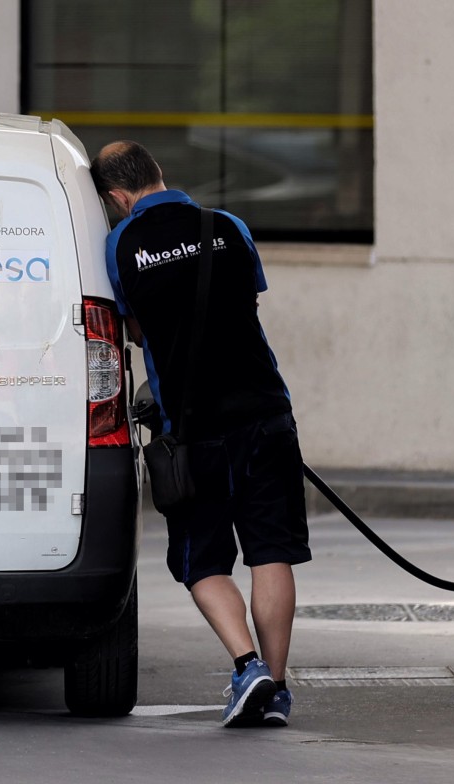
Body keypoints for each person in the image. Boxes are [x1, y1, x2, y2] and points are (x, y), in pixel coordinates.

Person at [90, 140, 311, 728]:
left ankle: (246, 665)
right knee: (271, 552)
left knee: (202, 561)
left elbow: (135, 327)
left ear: (117, 196)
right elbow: (247, 300)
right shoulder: (227, 226)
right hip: (267, 413)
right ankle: (277, 689)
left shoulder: (121, 245)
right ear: (160, 173)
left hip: (192, 431)